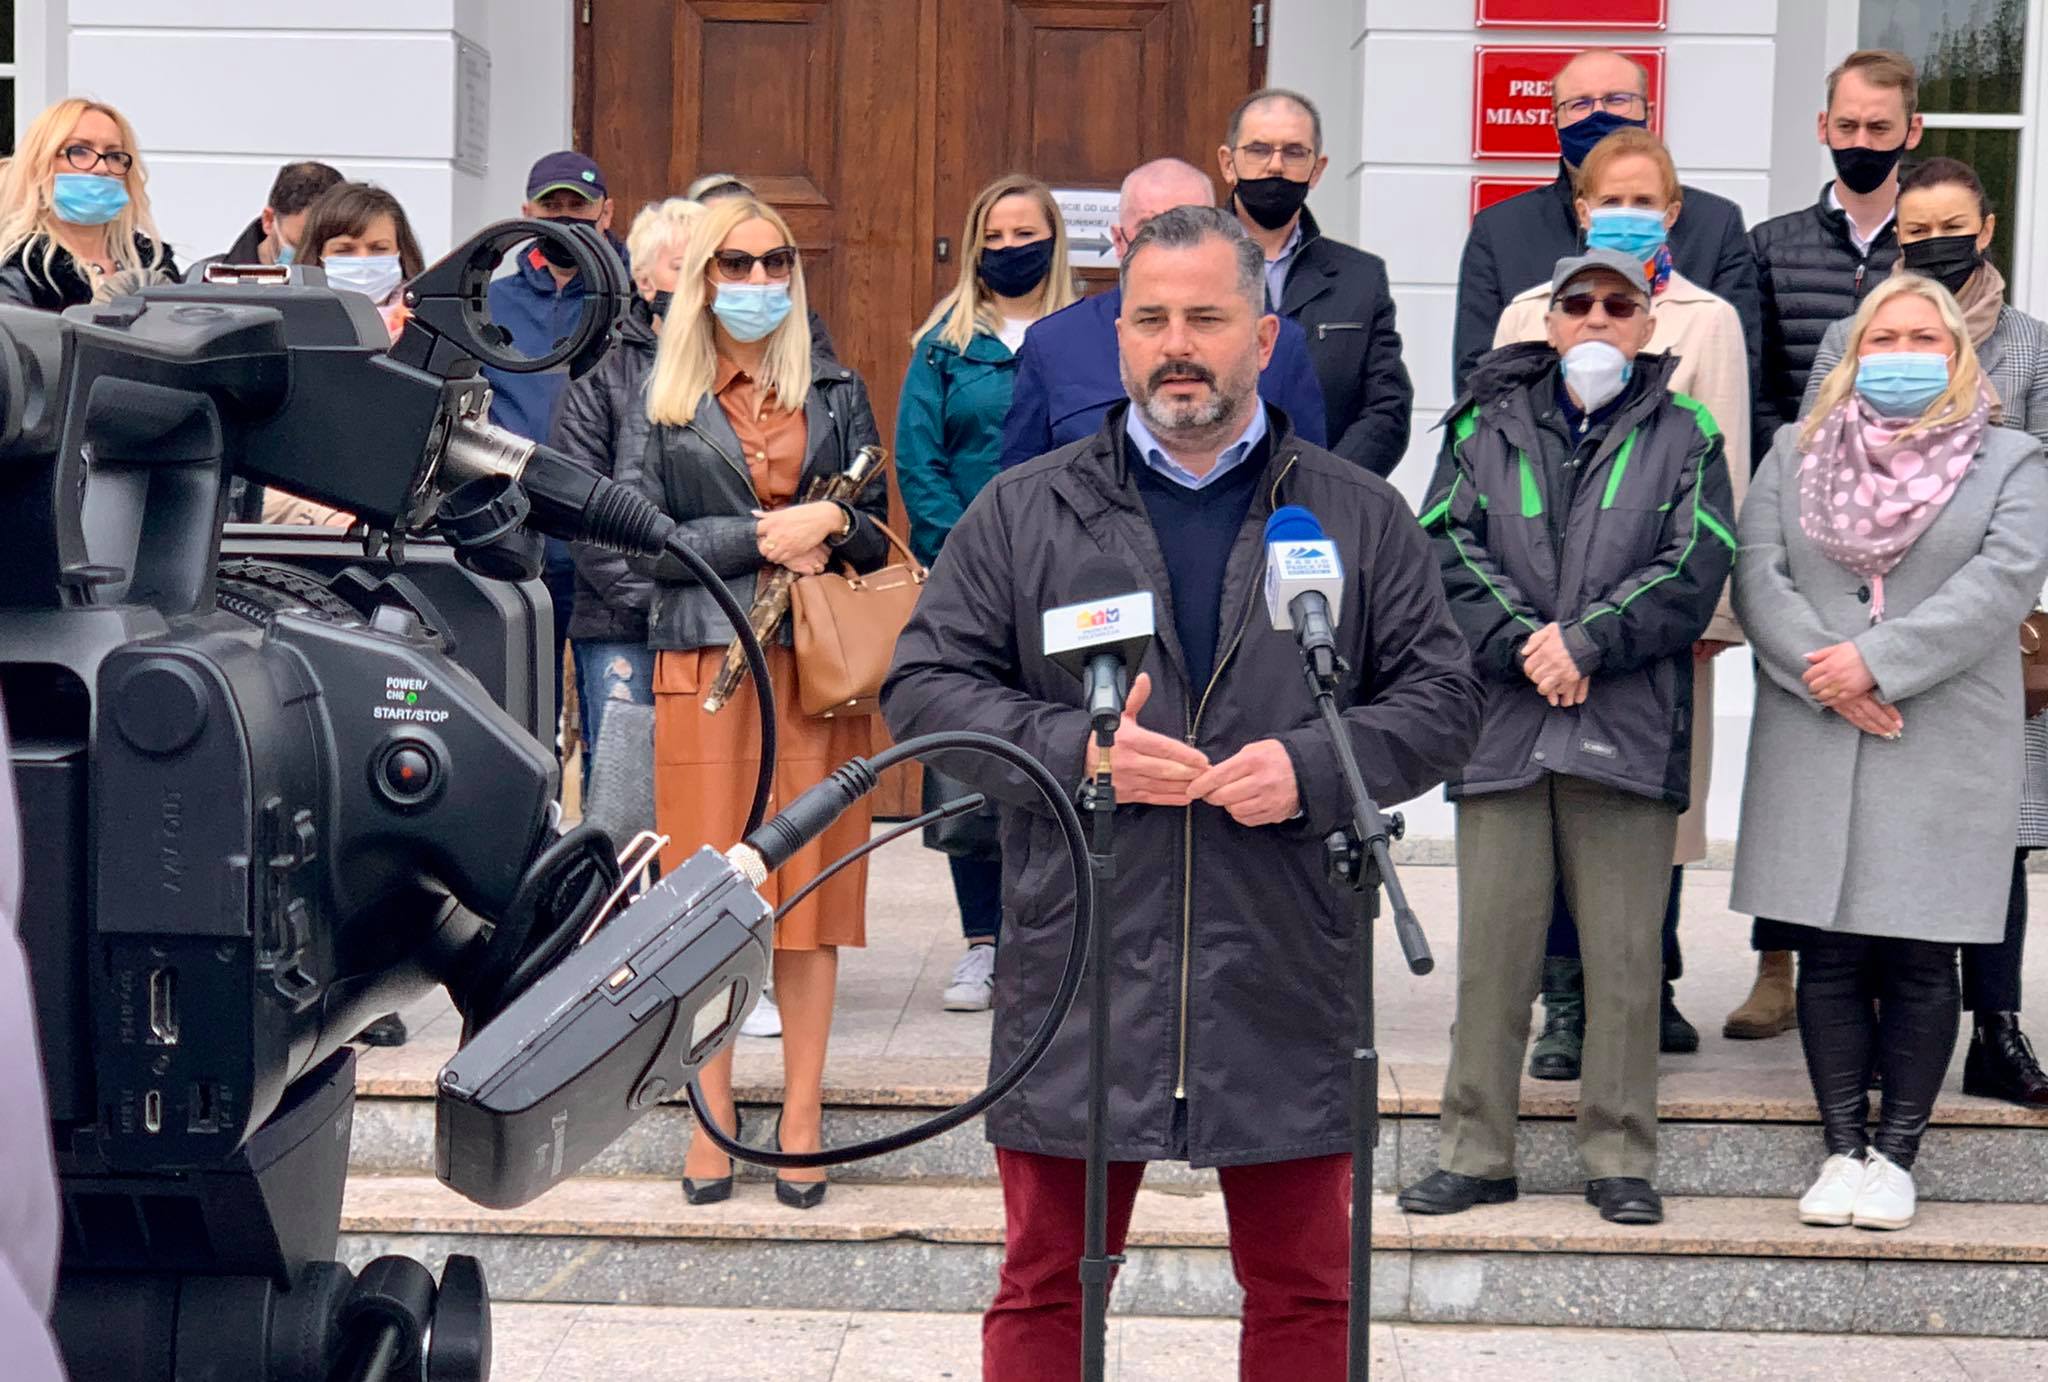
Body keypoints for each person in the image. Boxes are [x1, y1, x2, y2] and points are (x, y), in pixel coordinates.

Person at [884, 205, 1482, 1379]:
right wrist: (1074, 750)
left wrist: (1314, 765)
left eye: (1204, 317)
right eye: (1148, 318)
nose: (1176, 344)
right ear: (1115, 339)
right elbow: (923, 688)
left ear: (1261, 334)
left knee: (1306, 1290)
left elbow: (1443, 700)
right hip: (1081, 960)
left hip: (1281, 960)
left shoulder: (1355, 514)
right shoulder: (1027, 509)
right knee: (1045, 1284)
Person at [1400, 249, 1735, 1228]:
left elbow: (1695, 560)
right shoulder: (1479, 423)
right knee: (1492, 957)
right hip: (1503, 725)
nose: (1595, 319)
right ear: (1547, 321)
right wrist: (1522, 646)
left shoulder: (1689, 430)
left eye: (1615, 304)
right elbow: (1441, 546)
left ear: (1645, 324)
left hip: (1625, 728)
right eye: (1575, 303)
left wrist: (1585, 641)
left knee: (1625, 963)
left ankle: (1618, 1157)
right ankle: (1473, 1151)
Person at [1732, 273, 2048, 1230]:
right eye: (1885, 336)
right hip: (1817, 724)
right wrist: (1827, 675)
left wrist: (1877, 664)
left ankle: (1897, 1153)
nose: (1902, 353)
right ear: (1854, 351)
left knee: (1920, 955)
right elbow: (1758, 573)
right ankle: (1840, 1149)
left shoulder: (2013, 459)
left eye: (1924, 338)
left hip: (1941, 730)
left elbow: (2003, 580)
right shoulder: (1795, 452)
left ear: (1957, 357)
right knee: (1827, 954)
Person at [631, 194, 888, 1211]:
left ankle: (801, 1117)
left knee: (812, 903)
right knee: (706, 899)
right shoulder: (663, 394)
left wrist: (833, 515)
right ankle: (711, 1114)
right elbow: (633, 533)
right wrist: (761, 537)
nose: (753, 283)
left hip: (816, 670)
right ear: (699, 278)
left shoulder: (834, 386)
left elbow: (876, 534)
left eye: (770, 262)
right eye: (732, 265)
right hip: (704, 667)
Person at [1492, 128, 1749, 1078]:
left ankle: (1648, 986)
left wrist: (1713, 616)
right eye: (1612, 199)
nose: (1629, 215)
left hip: (1658, 618)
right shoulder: (1530, 311)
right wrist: (1524, 627)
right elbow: (1495, 458)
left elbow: (1727, 470)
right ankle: (1565, 999)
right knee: (1554, 799)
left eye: (1649, 200)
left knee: (1656, 803)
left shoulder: (1708, 319)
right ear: (1581, 208)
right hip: (1543, 624)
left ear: (1673, 214)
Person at [1795, 158, 2048, 1107]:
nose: (1934, 243)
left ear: (1985, 229)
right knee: (1866, 829)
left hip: (1984, 635)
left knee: (1999, 835)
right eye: (1915, 231)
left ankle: (1997, 1025)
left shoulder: (2030, 346)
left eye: (1953, 226)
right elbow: (1817, 454)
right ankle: (1860, 1025)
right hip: (1858, 633)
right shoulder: (1853, 339)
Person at [1732, 47, 1923, 1043]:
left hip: (1912, 530)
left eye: (1876, 130)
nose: (1858, 144)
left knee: (1887, 755)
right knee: (1795, 750)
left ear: (1909, 133)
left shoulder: (1924, 247)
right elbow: (1763, 388)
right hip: (1804, 523)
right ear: (1822, 129)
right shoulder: (1767, 246)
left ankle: (1878, 959)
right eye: (1843, 128)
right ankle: (1777, 958)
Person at [897, 173, 1078, 1013]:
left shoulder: (1088, 337)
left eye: (1026, 234)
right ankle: (981, 946)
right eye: (995, 236)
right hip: (970, 582)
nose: (1011, 249)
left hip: (1068, 576)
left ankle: (1054, 942)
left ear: (1054, 239)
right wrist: (958, 556)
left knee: (1066, 754)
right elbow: (918, 462)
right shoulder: (942, 345)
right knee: (973, 757)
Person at [1452, 49, 1757, 393]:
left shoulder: (1714, 225)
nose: (1598, 114)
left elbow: (1734, 374)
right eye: (1579, 104)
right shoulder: (1500, 230)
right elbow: (1475, 380)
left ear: (1648, 112)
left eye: (1617, 100)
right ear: (1555, 122)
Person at [997, 157, 1328, 468]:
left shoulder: (1279, 344)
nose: (1171, 245)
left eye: (1190, 223)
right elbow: (1024, 492)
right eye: (1149, 227)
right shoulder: (1053, 344)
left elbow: (1305, 478)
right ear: (1119, 240)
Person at [549, 197, 701, 799]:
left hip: (714, 622)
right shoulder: (602, 371)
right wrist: (656, 599)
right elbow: (580, 507)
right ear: (643, 279)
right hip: (621, 620)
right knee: (626, 802)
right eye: (679, 267)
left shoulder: (737, 371)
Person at [485, 151, 627, 777]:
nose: (565, 217)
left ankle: (613, 862)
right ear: (527, 213)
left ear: (607, 211)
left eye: (579, 205)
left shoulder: (634, 300)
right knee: (521, 719)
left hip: (610, 540)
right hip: (517, 535)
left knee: (615, 727)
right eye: (552, 206)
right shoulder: (490, 301)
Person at [1217, 88, 1412, 476]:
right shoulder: (1191, 269)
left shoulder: (1360, 278)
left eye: (1293, 152)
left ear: (1317, 169)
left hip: (1324, 509)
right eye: (1258, 150)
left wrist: (1327, 484)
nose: (1276, 166)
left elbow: (1387, 408)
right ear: (1228, 162)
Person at [0, 97, 178, 310]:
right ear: (40, 165)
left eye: (113, 155)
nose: (102, 167)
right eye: (79, 151)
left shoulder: (153, 262)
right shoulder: (19, 270)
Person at [688, 173, 838, 359]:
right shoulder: (651, 362)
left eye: (775, 261)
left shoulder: (821, 372)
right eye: (735, 264)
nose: (759, 279)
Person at [294, 181, 426, 344]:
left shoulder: (429, 328)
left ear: (401, 252)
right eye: (344, 250)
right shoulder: (293, 328)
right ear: (317, 255)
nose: (363, 260)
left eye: (379, 248)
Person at [190, 159, 343, 274]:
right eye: (301, 244)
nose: (315, 259)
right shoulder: (204, 283)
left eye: (335, 248)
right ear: (268, 221)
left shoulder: (354, 286)